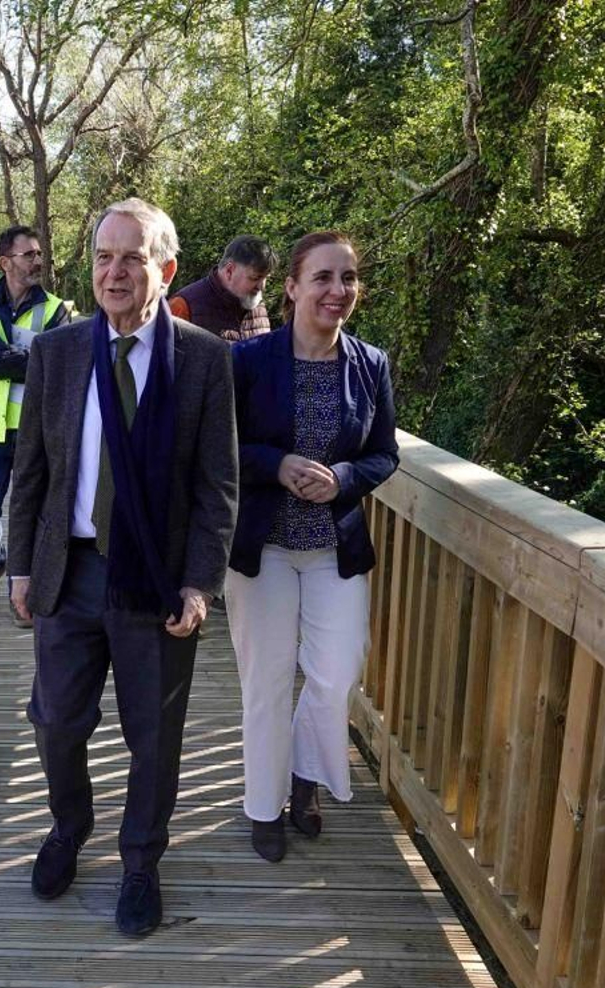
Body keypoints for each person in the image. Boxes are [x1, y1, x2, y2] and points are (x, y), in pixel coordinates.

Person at [8, 198, 238, 937]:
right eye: (104, 256)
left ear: (164, 269)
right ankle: (69, 825)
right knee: (56, 721)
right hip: (68, 572)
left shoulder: (203, 359)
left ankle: (141, 859)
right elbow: (31, 470)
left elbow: (217, 484)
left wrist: (201, 582)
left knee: (154, 733)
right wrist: (19, 568)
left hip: (157, 580)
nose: (113, 271)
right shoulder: (59, 351)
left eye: (131, 257)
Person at [226, 231, 398, 863]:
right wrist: (278, 465)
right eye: (323, 278)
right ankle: (265, 807)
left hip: (334, 546)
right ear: (292, 287)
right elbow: (219, 450)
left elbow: (385, 454)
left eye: (348, 278)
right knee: (267, 681)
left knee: (336, 672)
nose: (338, 290)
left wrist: (344, 479)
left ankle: (305, 775)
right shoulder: (249, 362)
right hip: (264, 546)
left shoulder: (371, 364)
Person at [0, 225, 71, 613]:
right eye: (29, 255)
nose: (38, 261)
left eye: (39, 254)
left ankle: (24, 585)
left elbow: (57, 362)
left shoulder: (56, 307)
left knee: (33, 511)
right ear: (4, 262)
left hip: (37, 430)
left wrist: (16, 358)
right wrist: (32, 358)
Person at [168, 235, 277, 342]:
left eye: (265, 278)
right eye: (255, 278)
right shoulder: (183, 306)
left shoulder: (256, 303)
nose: (262, 286)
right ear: (229, 271)